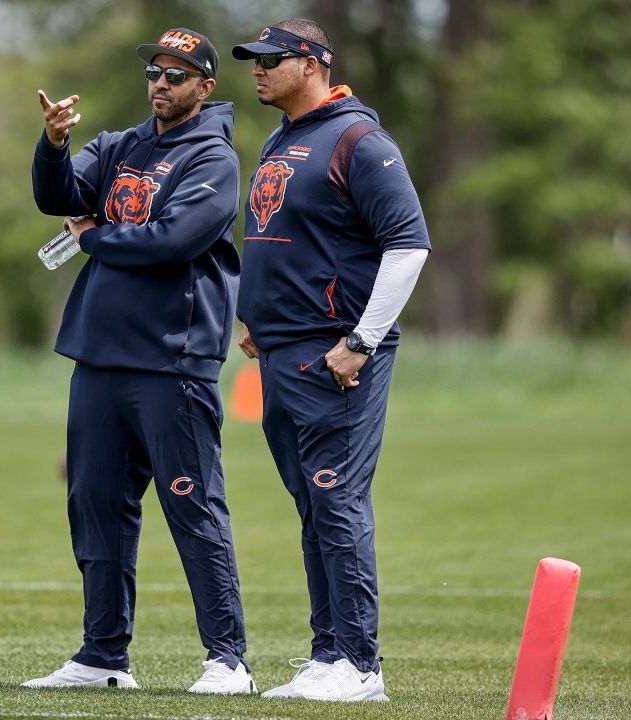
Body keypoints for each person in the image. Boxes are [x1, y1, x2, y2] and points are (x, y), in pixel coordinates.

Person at [22, 27, 254, 695]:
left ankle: (228, 660)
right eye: (155, 71)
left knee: (192, 503)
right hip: (99, 355)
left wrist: (96, 237)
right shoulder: (122, 145)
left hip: (171, 360)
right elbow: (58, 197)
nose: (161, 83)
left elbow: (175, 239)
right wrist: (56, 144)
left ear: (205, 87)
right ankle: (102, 655)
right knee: (95, 501)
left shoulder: (213, 156)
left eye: (177, 75)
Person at [230, 19, 431, 703]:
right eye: (252, 61)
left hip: (335, 355)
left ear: (313, 64)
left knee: (336, 497)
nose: (256, 70)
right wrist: (260, 316)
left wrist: (360, 342)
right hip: (283, 353)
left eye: (269, 60)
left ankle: (361, 667)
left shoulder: (360, 139)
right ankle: (327, 655)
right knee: (313, 504)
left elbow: (408, 246)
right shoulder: (285, 137)